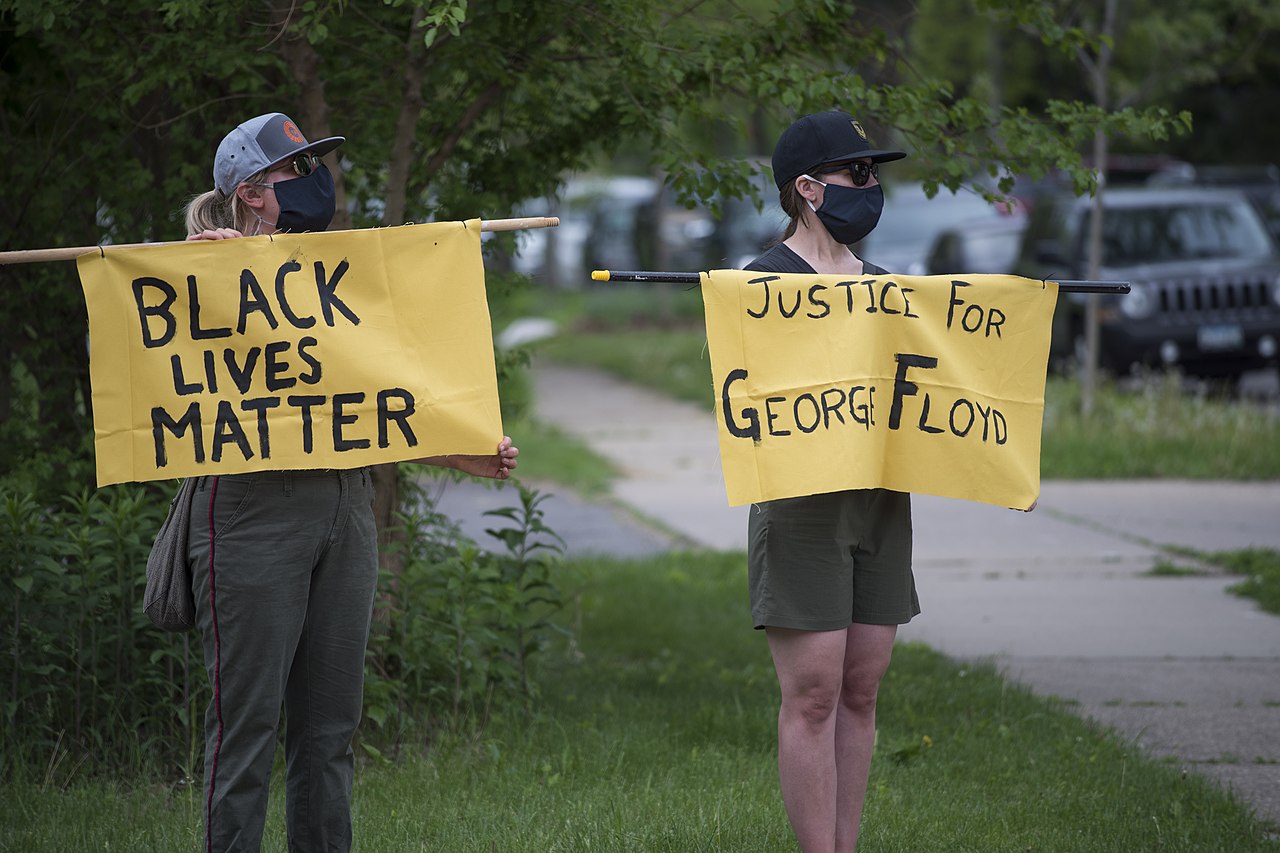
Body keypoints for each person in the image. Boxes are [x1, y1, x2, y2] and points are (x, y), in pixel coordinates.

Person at [182, 111, 519, 853]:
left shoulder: (339, 281)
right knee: (244, 732)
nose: (316, 182)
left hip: (345, 507)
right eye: (296, 171)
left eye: (315, 166)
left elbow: (368, 403)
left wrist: (463, 451)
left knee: (329, 729)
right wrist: (208, 269)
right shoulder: (203, 274)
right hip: (251, 514)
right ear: (251, 193)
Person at [743, 110, 915, 853]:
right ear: (809, 188)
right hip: (803, 507)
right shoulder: (760, 284)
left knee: (862, 687)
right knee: (812, 692)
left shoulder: (886, 289)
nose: (871, 188)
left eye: (874, 174)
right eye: (857, 174)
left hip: (880, 502)